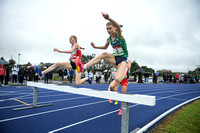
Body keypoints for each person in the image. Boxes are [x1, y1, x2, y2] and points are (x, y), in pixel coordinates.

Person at [76, 12, 129, 91]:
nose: (108, 30)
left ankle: (124, 72)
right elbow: (105, 47)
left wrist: (108, 18)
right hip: (115, 58)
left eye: (110, 28)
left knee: (117, 80)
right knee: (104, 54)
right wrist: (95, 47)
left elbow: (118, 26)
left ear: (115, 28)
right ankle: (84, 67)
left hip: (123, 59)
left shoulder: (119, 35)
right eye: (107, 29)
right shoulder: (109, 39)